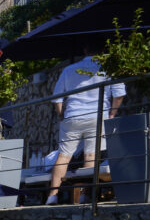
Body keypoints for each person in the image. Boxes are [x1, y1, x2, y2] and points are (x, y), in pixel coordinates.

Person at [46, 47, 125, 205]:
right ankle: (84, 195)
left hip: (73, 116)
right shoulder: (108, 68)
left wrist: (62, 115)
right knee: (91, 156)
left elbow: (57, 98)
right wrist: (112, 113)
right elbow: (119, 93)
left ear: (84, 50)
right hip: (97, 116)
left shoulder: (69, 69)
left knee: (63, 156)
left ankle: (52, 195)